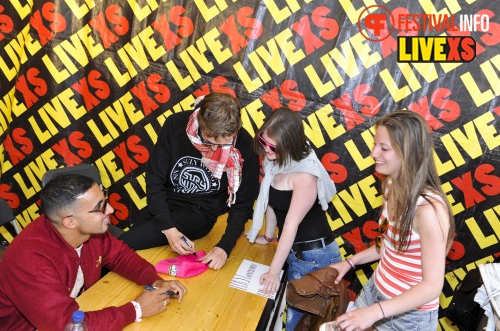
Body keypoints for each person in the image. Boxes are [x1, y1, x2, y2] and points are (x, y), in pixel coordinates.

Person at [0, 174, 187, 331]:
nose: (110, 209)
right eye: (100, 207)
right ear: (70, 222)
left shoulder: (88, 232)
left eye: (105, 200)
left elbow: (120, 256)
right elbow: (67, 326)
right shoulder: (30, 260)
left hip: (73, 311)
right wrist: (136, 309)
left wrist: (155, 281)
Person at [323, 110, 455, 331]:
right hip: (375, 292)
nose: (374, 153)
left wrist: (375, 313)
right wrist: (349, 263)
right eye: (375, 145)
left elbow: (432, 286)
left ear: (409, 153)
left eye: (384, 148)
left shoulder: (428, 210)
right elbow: (387, 244)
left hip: (408, 319)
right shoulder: (391, 185)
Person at [119, 92, 259, 270]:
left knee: (123, 244)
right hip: (166, 203)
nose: (216, 148)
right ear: (201, 123)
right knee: (125, 242)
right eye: (211, 141)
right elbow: (155, 180)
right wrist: (169, 229)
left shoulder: (244, 144)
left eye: (225, 142)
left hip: (199, 213)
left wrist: (224, 246)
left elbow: (243, 204)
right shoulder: (176, 124)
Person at [246, 108, 341, 331]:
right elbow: (271, 201)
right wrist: (268, 237)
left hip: (314, 257)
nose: (266, 149)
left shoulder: (305, 174)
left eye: (273, 146)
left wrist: (273, 272)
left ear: (289, 145)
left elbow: (290, 225)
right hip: (295, 251)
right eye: (263, 141)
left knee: (298, 325)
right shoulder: (274, 160)